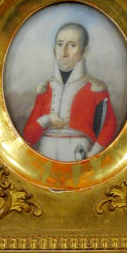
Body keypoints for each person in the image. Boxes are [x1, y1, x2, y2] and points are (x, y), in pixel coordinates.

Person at [23, 22, 117, 162]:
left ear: (84, 51)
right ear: (54, 49)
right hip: (45, 158)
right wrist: (47, 120)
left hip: (79, 156)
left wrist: (92, 154)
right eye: (60, 44)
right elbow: (28, 137)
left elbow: (110, 126)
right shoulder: (45, 89)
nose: (64, 53)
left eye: (72, 45)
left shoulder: (95, 89)